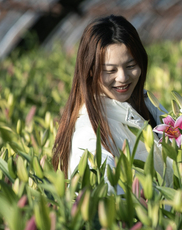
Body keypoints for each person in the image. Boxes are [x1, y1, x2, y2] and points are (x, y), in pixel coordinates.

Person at [52, 15, 172, 185]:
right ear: (90, 70)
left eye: (130, 66)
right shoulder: (89, 133)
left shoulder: (146, 104)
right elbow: (104, 197)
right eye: (110, 70)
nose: (123, 78)